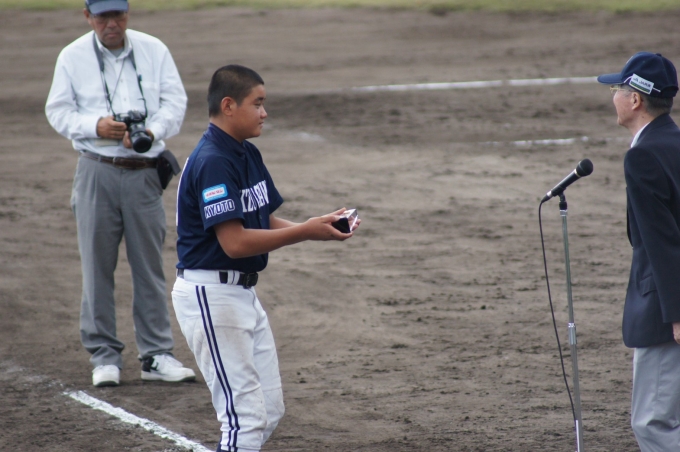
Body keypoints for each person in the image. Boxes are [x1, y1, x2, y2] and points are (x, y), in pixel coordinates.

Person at [172, 64, 359, 452]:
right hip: (212, 295)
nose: (264, 112)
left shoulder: (245, 152)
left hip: (240, 295)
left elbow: (262, 219)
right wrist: (305, 231)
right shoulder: (213, 161)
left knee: (269, 410)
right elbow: (235, 243)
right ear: (228, 105)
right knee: (245, 421)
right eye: (257, 104)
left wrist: (316, 227)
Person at [45, 0, 195, 387]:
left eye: (118, 15)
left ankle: (156, 354)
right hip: (96, 169)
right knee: (97, 267)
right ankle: (104, 356)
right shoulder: (72, 56)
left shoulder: (153, 49)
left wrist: (151, 132)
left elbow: (175, 103)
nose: (111, 23)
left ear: (128, 13)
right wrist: (95, 126)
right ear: (88, 16)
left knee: (150, 266)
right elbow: (57, 110)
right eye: (102, 16)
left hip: (145, 173)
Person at [598, 52, 680, 450]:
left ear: (635, 100)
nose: (612, 95)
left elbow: (662, 242)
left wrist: (676, 313)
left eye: (618, 88)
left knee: (653, 423)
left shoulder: (643, 156)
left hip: (666, 312)